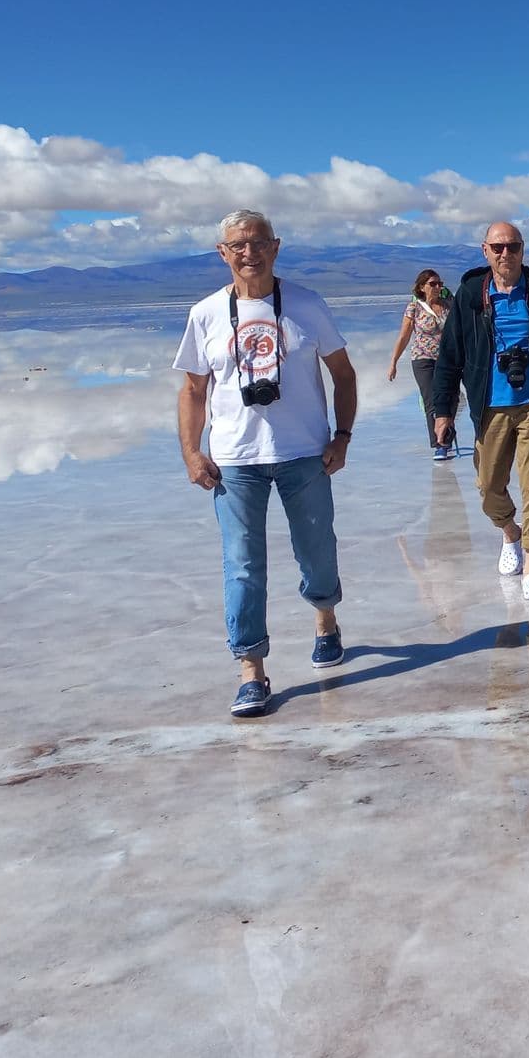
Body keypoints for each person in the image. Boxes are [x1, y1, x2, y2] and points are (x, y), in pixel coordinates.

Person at [174, 209, 357, 717]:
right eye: (237, 245)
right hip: (235, 461)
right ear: (222, 253)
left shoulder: (306, 305)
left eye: (257, 243)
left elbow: (344, 374)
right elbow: (193, 389)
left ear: (275, 247)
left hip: (304, 454)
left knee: (317, 551)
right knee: (242, 566)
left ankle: (326, 621)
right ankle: (251, 669)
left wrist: (342, 437)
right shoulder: (205, 314)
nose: (248, 253)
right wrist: (192, 452)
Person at [432, 222, 529, 601]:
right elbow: (450, 355)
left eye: (512, 247)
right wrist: (443, 410)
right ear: (485, 250)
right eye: (498, 247)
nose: (505, 254)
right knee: (487, 487)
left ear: (522, 249)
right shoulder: (471, 293)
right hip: (491, 406)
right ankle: (510, 532)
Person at [386, 268, 455, 460]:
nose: (437, 287)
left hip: (447, 359)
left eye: (440, 284)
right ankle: (440, 443)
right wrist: (393, 362)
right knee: (432, 399)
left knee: (450, 398)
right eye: (432, 284)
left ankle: (447, 433)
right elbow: (404, 336)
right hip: (422, 358)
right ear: (421, 287)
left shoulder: (449, 304)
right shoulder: (414, 308)